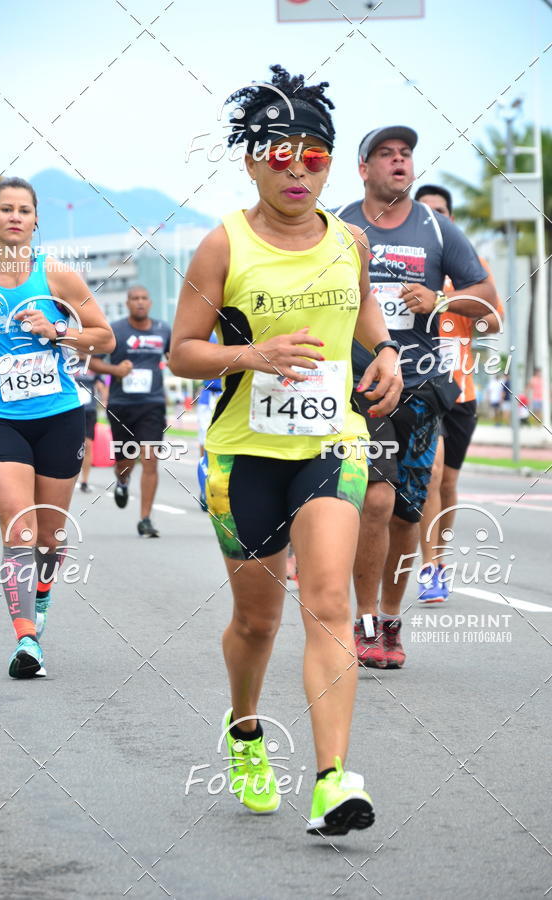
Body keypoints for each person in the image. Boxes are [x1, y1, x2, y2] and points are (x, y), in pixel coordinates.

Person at [170, 66, 403, 836]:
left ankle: (333, 780)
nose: (298, 168)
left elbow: (363, 308)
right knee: (258, 623)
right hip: (243, 458)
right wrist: (252, 355)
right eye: (280, 153)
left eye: (314, 154)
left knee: (330, 599)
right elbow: (183, 353)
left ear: (330, 162)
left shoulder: (349, 241)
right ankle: (244, 731)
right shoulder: (222, 245)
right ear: (251, 160)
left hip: (332, 443)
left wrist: (389, 354)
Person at [334, 127, 496, 668]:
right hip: (361, 389)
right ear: (364, 169)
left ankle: (391, 622)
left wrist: (442, 299)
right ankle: (364, 620)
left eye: (405, 154)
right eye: (386, 154)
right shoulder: (338, 225)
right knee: (375, 502)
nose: (399, 161)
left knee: (406, 515)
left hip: (423, 390)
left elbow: (487, 302)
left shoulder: (437, 227)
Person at [0, 176, 114, 678]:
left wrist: (59, 330)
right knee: (18, 527)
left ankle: (41, 597)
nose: (15, 217)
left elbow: (103, 338)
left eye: (24, 210)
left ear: (36, 220)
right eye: (6, 209)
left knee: (49, 534)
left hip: (60, 416)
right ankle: (26, 640)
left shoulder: (58, 276)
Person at [414, 184, 502, 604]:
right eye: (429, 211)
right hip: (423, 386)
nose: (438, 218)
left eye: (443, 212)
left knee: (448, 483)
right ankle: (429, 569)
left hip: (461, 389)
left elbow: (493, 321)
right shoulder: (411, 262)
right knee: (431, 475)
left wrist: (447, 302)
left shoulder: (470, 267)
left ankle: (441, 560)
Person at [88, 286, 171, 538]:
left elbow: (174, 356)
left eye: (144, 298)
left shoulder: (164, 329)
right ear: (127, 303)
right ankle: (122, 481)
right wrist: (115, 371)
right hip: (121, 405)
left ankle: (145, 519)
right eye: (134, 299)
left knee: (150, 459)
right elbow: (92, 361)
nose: (140, 303)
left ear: (150, 302)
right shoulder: (115, 330)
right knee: (125, 461)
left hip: (152, 403)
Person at [196, 333, 222, 511]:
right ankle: (204, 485)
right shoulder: (207, 336)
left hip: (230, 394)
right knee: (205, 442)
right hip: (208, 395)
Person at [75, 364, 107, 493]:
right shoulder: (68, 361)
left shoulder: (93, 364)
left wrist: (104, 400)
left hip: (89, 411)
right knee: (72, 446)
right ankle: (67, 479)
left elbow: (101, 386)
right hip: (72, 409)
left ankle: (84, 481)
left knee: (88, 445)